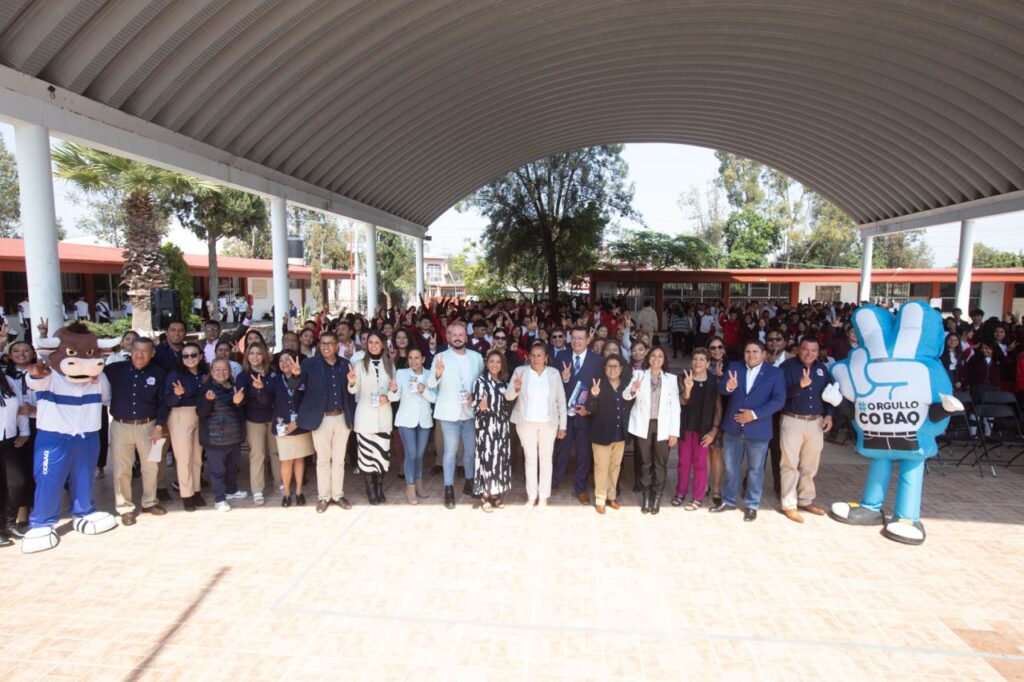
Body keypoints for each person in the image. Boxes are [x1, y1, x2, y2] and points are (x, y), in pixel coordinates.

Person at [711, 340, 786, 522]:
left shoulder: (774, 373)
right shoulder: (735, 367)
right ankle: (729, 501)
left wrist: (753, 414)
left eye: (755, 351)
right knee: (731, 468)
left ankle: (752, 505)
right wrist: (729, 386)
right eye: (747, 351)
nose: (751, 355)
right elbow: (721, 389)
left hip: (758, 429)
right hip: (733, 428)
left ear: (763, 354)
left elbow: (779, 400)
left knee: (755, 470)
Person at [104, 337, 170, 525]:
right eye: (136, 350)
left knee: (151, 467)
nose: (139, 355)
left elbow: (164, 402)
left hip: (148, 426)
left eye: (144, 351)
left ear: (152, 353)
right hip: (120, 425)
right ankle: (125, 508)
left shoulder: (158, 373)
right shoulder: (114, 370)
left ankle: (149, 502)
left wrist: (159, 426)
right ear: (131, 350)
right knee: (121, 469)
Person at [298, 331, 356, 512]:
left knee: (339, 460)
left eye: (330, 343)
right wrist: (295, 376)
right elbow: (296, 387)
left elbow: (351, 393)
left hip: (340, 418)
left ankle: (337, 495)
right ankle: (323, 497)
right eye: (322, 343)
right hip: (320, 419)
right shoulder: (309, 364)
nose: (326, 346)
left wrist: (352, 384)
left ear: (337, 346)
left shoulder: (345, 365)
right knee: (323, 460)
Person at [428, 321, 484, 509]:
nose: (458, 337)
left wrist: (476, 397)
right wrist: (437, 374)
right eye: (455, 335)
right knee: (450, 452)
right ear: (449, 337)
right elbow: (431, 384)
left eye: (462, 334)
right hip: (449, 413)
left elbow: (482, 382)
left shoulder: (477, 357)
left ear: (466, 337)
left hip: (470, 412)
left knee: (470, 451)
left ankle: (470, 482)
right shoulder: (440, 357)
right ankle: (449, 488)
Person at [778, 338, 833, 523]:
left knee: (810, 464)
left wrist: (829, 415)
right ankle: (789, 504)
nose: (809, 354)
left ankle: (805, 499)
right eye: (805, 350)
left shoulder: (822, 369)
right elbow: (779, 395)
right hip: (792, 420)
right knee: (789, 464)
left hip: (815, 421)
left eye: (813, 350)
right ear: (798, 350)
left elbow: (829, 394)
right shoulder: (787, 367)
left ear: (818, 352)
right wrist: (799, 386)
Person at [506, 343, 567, 509]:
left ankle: (544, 497)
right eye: (533, 355)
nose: (536, 358)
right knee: (530, 459)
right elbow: (509, 396)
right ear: (528, 357)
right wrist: (516, 388)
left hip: (548, 424)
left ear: (546, 357)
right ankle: (532, 496)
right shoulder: (520, 371)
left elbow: (561, 400)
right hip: (526, 423)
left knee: (546, 460)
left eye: (539, 355)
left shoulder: (554, 374)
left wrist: (563, 425)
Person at [623, 346, 680, 515]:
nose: (656, 358)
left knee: (660, 464)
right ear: (648, 358)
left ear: (664, 360)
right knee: (645, 464)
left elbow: (675, 407)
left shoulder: (671, 379)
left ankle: (657, 498)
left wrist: (674, 432)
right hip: (643, 425)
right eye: (653, 355)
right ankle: (646, 497)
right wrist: (633, 388)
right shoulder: (639, 375)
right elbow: (626, 396)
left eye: (660, 356)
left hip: (663, 425)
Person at [348, 331, 400, 505]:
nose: (373, 345)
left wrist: (390, 395)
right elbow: (353, 391)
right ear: (366, 344)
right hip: (365, 416)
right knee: (366, 457)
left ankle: (379, 486)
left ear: (383, 344)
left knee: (382, 456)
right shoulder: (359, 364)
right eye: (370, 342)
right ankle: (370, 489)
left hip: (384, 416)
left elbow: (396, 392)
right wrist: (352, 382)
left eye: (377, 342)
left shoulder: (389, 364)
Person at [553, 326, 603, 504]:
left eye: (580, 338)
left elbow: (599, 389)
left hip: (584, 415)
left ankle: (580, 487)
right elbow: (554, 385)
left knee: (583, 453)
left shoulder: (597, 361)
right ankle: (555, 481)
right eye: (573, 337)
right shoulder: (561, 357)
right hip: (564, 415)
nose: (576, 341)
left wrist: (589, 408)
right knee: (561, 451)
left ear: (588, 340)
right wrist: (565, 378)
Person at [672, 348, 721, 510]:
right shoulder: (683, 377)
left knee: (700, 464)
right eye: (695, 359)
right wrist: (687, 389)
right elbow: (681, 402)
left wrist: (714, 430)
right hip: (686, 427)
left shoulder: (714, 381)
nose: (698, 362)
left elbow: (718, 407)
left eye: (702, 359)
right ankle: (680, 492)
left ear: (708, 363)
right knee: (683, 462)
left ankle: (698, 496)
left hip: (704, 430)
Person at [584, 354, 634, 514]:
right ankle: (600, 499)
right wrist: (594, 395)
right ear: (604, 369)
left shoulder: (626, 385)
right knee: (601, 467)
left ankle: (611, 497)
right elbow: (590, 409)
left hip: (620, 434)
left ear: (621, 369)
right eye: (609, 366)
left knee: (615, 467)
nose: (613, 369)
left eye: (616, 366)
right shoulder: (597, 384)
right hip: (601, 434)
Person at [197, 358, 247, 511]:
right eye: (217, 369)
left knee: (232, 467)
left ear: (230, 371)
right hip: (215, 439)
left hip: (234, 436)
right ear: (211, 372)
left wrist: (238, 402)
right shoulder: (206, 388)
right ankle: (219, 499)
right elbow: (201, 412)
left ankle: (231, 490)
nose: (221, 372)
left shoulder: (234, 387)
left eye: (224, 369)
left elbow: (239, 409)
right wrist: (208, 401)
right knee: (217, 471)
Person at [164, 341, 208, 512]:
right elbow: (168, 400)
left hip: (200, 415)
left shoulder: (204, 373)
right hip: (180, 415)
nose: (190, 358)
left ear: (200, 356)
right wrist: (178, 395)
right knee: (184, 458)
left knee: (197, 457)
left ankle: (196, 490)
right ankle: (186, 494)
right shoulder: (175, 375)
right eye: (186, 356)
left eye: (193, 355)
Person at [471, 350, 515, 512]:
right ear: (486, 364)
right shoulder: (480, 382)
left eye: (498, 362)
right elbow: (474, 406)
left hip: (501, 426)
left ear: (502, 364)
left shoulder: (504, 383)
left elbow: (507, 403)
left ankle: (495, 493)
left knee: (499, 460)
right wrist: (481, 408)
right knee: (487, 459)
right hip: (486, 426)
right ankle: (485, 495)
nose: (495, 364)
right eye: (491, 361)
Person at [269, 350, 314, 507]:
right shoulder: (274, 381)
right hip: (283, 426)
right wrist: (261, 389)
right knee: (286, 460)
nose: (285, 363)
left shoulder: (304, 378)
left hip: (300, 425)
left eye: (288, 359)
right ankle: (287, 493)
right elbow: (265, 401)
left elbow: (309, 401)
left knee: (299, 459)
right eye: (281, 360)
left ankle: (299, 491)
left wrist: (299, 421)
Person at [236, 343, 279, 505]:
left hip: (273, 418)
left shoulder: (272, 374)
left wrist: (263, 390)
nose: (255, 357)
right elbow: (240, 399)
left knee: (275, 452)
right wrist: (238, 401)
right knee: (257, 454)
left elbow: (276, 396)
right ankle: (257, 489)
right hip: (254, 419)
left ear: (264, 356)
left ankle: (279, 483)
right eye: (251, 353)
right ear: (247, 356)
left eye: (259, 353)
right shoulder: (243, 376)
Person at [394, 347, 436, 504]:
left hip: (424, 421)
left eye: (417, 358)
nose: (413, 361)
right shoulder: (402, 374)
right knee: (411, 454)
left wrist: (423, 389)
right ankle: (410, 487)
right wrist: (392, 390)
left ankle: (419, 485)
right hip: (406, 420)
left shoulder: (429, 375)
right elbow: (395, 396)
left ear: (423, 359)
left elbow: (434, 398)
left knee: (419, 454)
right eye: (411, 358)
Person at [0, 358, 30, 547]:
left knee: (17, 483)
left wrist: (25, 432)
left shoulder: (8, 382)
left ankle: (9, 523)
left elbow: (21, 408)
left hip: (9, 440)